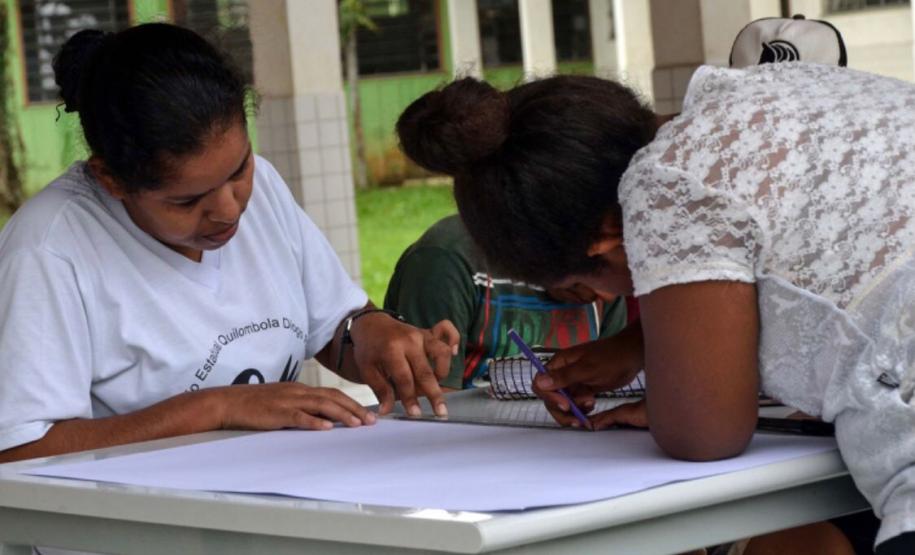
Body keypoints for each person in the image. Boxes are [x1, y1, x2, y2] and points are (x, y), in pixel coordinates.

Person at [394, 62, 915, 552]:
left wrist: (681, 396)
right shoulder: (760, 91)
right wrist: (645, 348)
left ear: (605, 237)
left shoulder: (662, 187)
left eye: (587, 283)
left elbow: (704, 436)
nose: (619, 296)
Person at [0, 23, 460, 466]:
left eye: (239, 170)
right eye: (187, 200)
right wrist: (215, 408)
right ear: (111, 179)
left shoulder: (264, 192)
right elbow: (19, 450)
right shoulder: (48, 250)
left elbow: (334, 324)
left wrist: (375, 336)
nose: (228, 208)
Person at [384, 214, 628, 390]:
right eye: (592, 268)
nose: (606, 296)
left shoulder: (614, 272)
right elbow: (428, 410)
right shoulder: (447, 260)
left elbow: (611, 390)